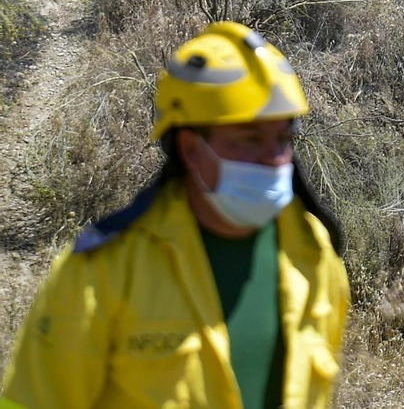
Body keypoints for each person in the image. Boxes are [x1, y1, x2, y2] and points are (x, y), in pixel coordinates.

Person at [1, 22, 350, 409]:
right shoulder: (103, 271)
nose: (276, 158)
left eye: (283, 138)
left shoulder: (315, 255)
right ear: (191, 150)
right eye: (250, 139)